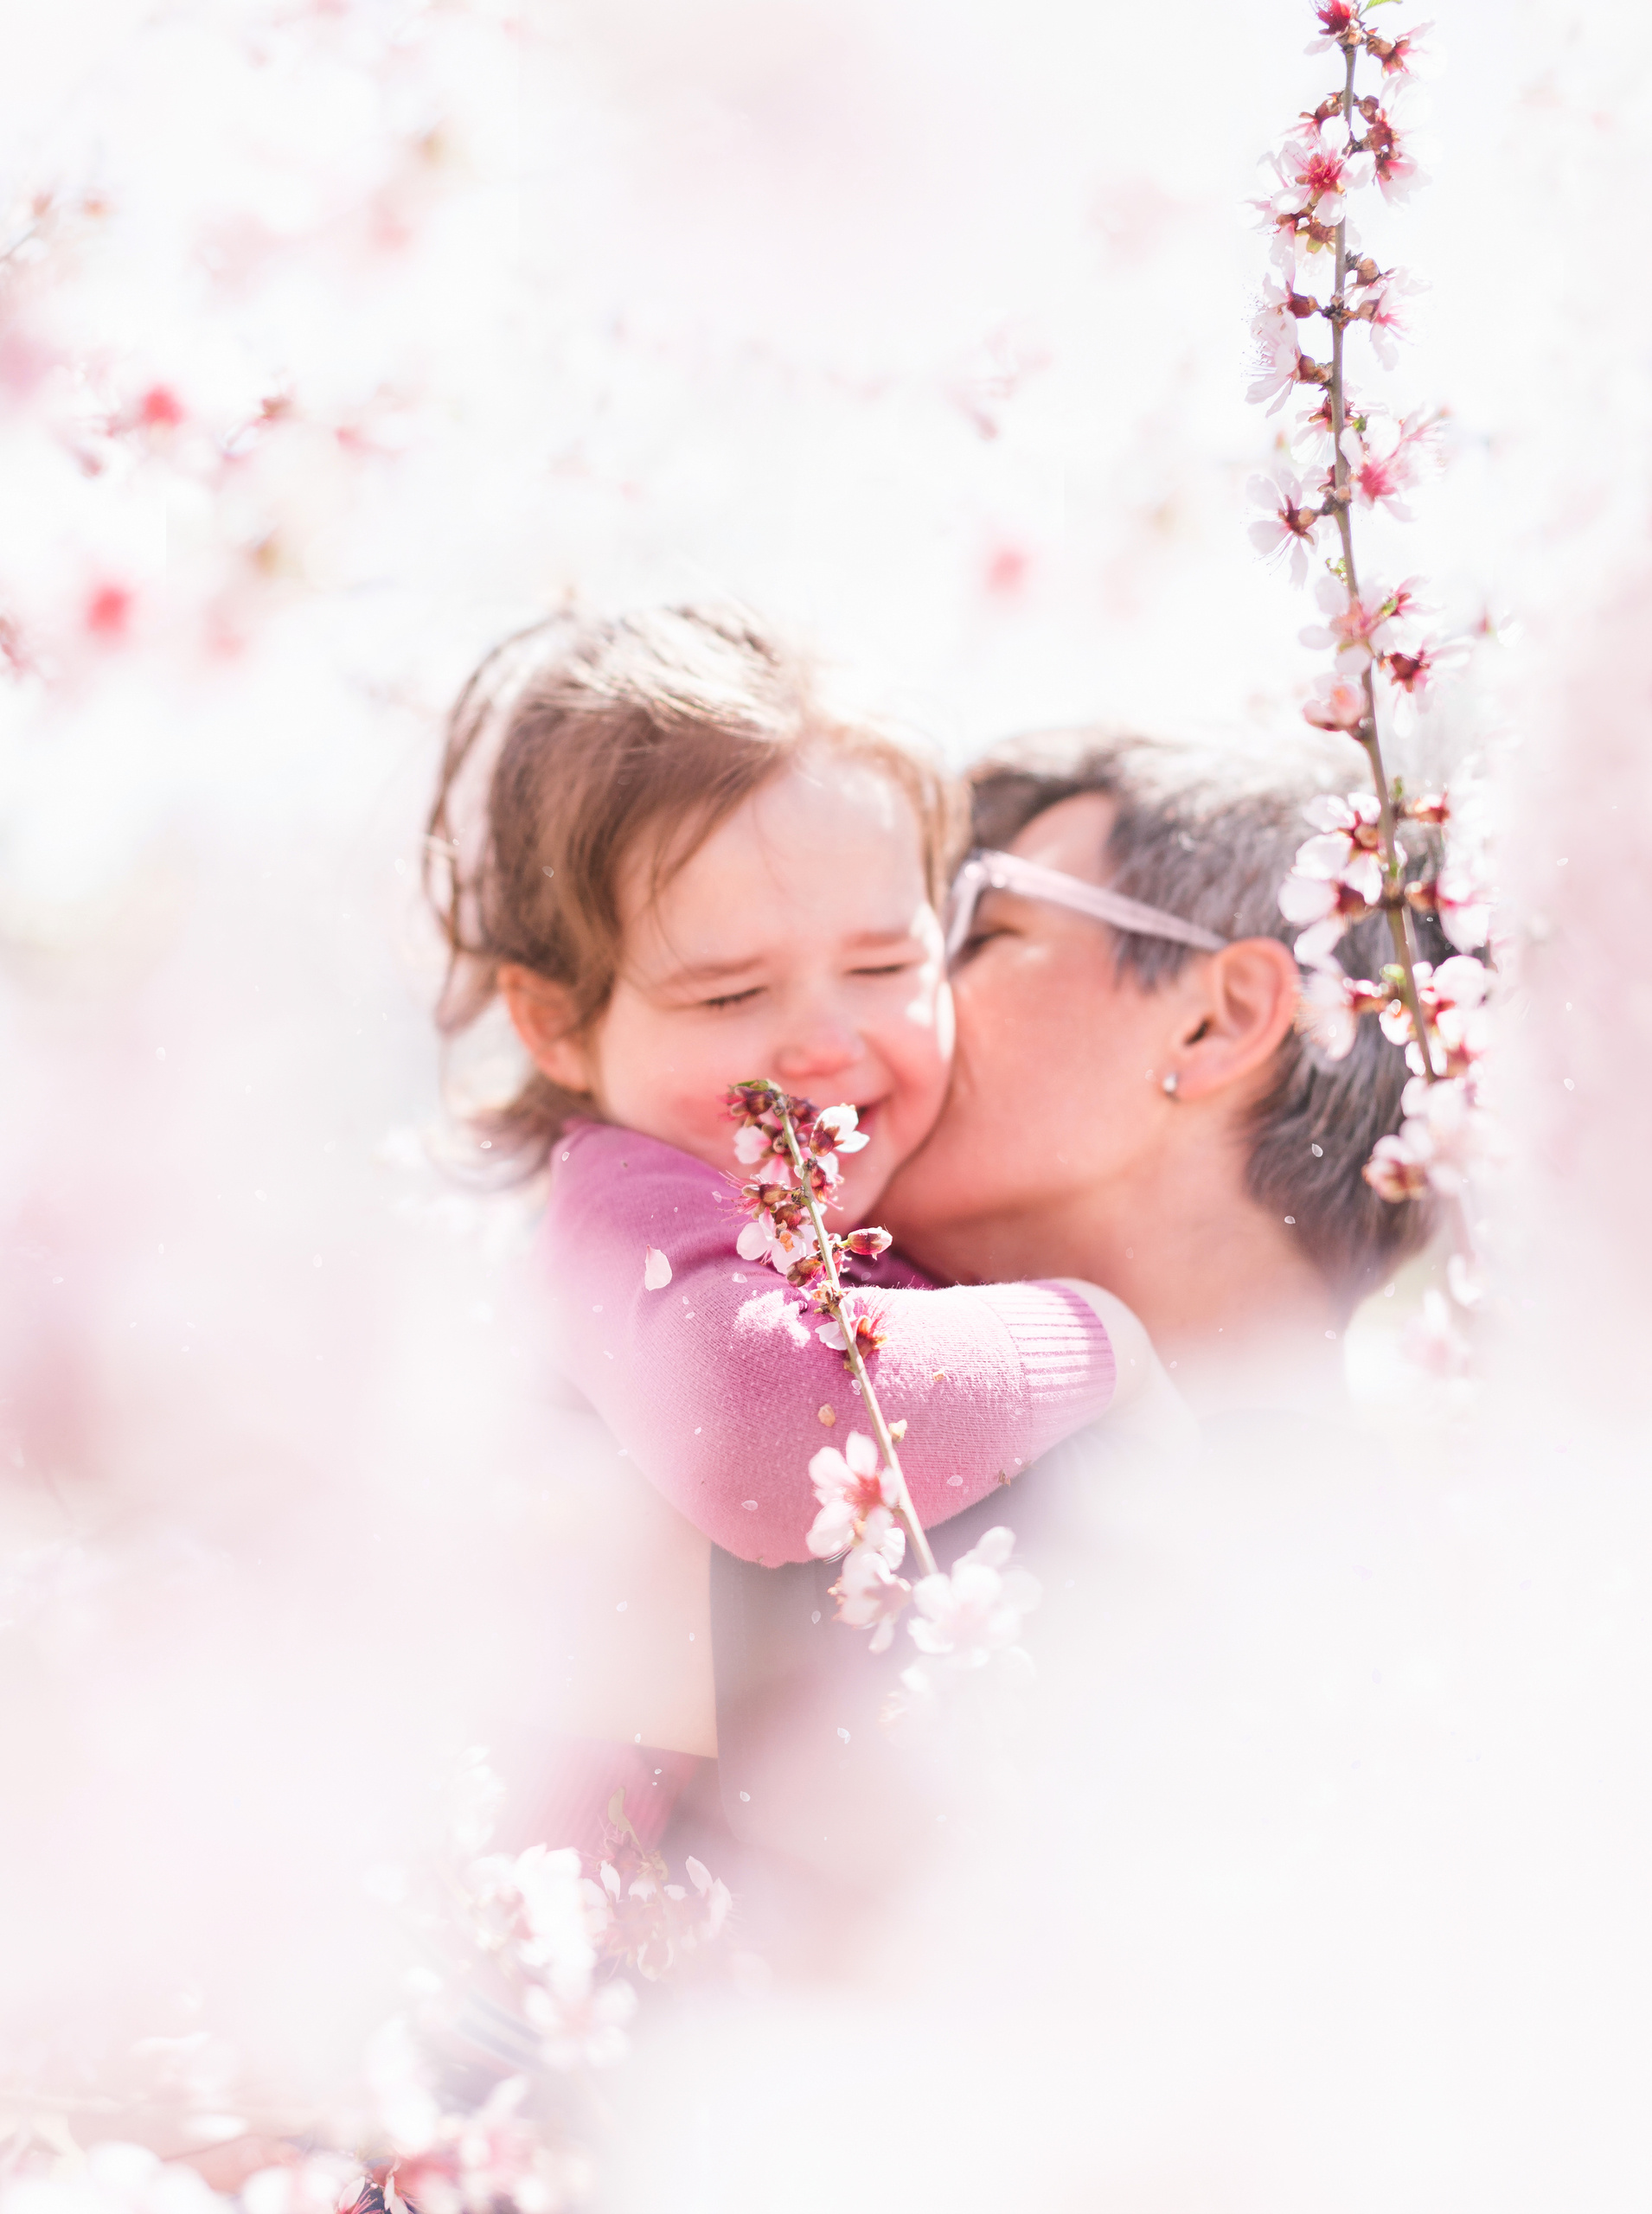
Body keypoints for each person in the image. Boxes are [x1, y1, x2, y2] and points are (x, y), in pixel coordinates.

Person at [423, 611, 1183, 1851]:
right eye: (729, 993)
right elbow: (764, 1422)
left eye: (885, 968)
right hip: (623, 1972)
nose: (825, 1043)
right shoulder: (622, 1206)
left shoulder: (891, 1239)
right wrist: (1096, 1339)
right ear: (556, 1025)